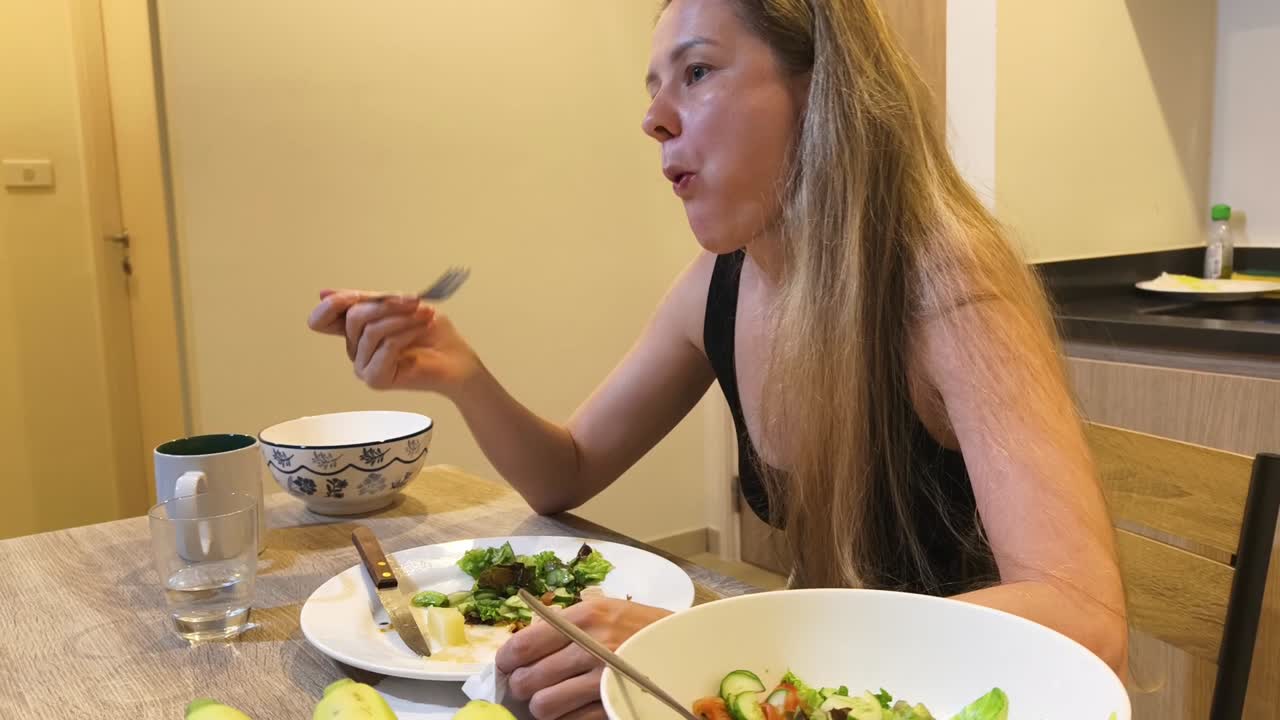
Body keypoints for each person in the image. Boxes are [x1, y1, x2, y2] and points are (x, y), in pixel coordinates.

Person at [307, 0, 1128, 717]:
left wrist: (711, 642)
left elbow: (1085, 614)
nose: (656, 118)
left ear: (821, 91)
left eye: (696, 73)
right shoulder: (721, 284)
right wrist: (462, 374)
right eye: (654, 87)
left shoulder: (945, 283)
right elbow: (569, 469)